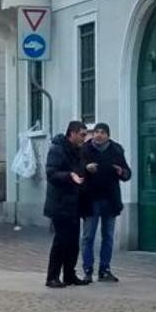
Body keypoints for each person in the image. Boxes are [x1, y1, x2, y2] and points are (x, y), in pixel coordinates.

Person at [80, 123, 132, 283]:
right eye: (96, 132)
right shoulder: (85, 149)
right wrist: (86, 169)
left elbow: (127, 173)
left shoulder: (116, 150)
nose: (98, 135)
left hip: (110, 199)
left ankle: (105, 269)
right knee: (88, 236)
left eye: (102, 132)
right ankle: (87, 269)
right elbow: (76, 170)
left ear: (108, 135)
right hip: (91, 198)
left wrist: (121, 172)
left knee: (108, 236)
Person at [44, 121, 92, 288]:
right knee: (61, 241)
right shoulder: (57, 149)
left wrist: (86, 171)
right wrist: (69, 175)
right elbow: (51, 173)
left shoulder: (79, 151)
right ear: (72, 133)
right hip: (60, 203)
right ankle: (52, 276)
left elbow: (80, 170)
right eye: (82, 135)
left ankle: (69, 274)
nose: (84, 138)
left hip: (75, 203)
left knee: (73, 242)